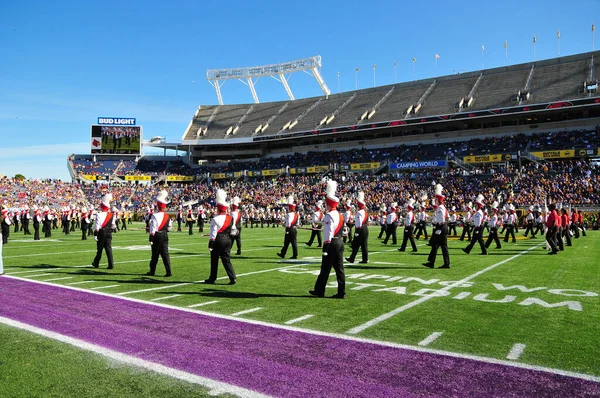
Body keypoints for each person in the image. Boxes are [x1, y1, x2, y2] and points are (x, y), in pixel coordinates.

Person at [310, 180, 346, 298]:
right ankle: (342, 292)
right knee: (339, 269)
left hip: (332, 243)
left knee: (325, 268)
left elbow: (329, 231)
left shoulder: (329, 215)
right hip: (339, 241)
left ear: (329, 204)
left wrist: (325, 247)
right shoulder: (339, 215)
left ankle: (319, 290)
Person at [205, 189, 237, 284]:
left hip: (218, 240)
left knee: (214, 260)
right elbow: (234, 230)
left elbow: (213, 233)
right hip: (228, 239)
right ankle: (232, 277)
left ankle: (212, 278)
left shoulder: (215, 219)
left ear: (218, 208)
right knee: (226, 259)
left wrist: (211, 243)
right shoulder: (231, 218)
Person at [423, 184, 451, 269]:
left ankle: (440, 263)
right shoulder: (441, 207)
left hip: (441, 227)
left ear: (438, 200)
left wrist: (439, 229)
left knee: (441, 246)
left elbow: (442, 218)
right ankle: (433, 262)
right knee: (436, 245)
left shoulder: (440, 208)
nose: (434, 201)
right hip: (441, 227)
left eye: (436, 199)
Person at [146, 190, 173, 277]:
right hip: (165, 235)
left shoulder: (155, 215)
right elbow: (170, 227)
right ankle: (168, 271)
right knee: (165, 254)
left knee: (155, 254)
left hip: (157, 236)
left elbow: (153, 228)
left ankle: (152, 271)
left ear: (158, 206)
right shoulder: (167, 216)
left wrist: (151, 238)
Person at [91, 193, 116, 269]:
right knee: (109, 249)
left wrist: (95, 234)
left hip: (101, 233)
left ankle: (96, 263)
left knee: (100, 249)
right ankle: (111, 264)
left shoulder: (99, 214)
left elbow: (97, 226)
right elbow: (113, 225)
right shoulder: (111, 215)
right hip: (108, 232)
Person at [346, 191, 369, 264]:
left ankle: (352, 258)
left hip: (360, 229)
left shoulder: (359, 213)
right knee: (364, 245)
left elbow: (358, 223)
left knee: (356, 245)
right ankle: (364, 259)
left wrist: (357, 232)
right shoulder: (365, 212)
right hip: (365, 228)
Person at [277, 195, 299, 259]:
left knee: (286, 242)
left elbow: (289, 223)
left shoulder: (289, 214)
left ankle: (283, 254)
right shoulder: (296, 214)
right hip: (294, 229)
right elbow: (295, 223)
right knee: (293, 242)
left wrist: (287, 229)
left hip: (289, 229)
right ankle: (292, 254)